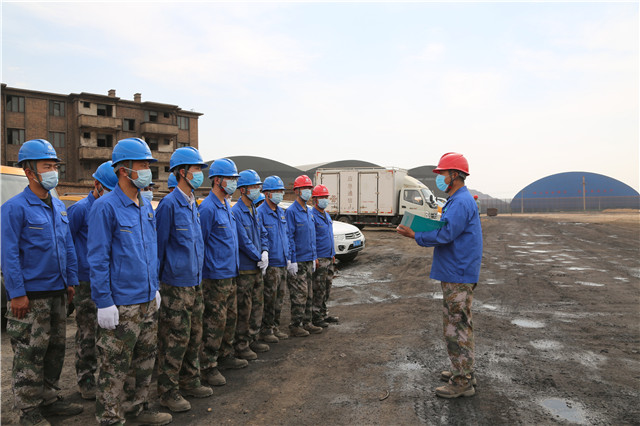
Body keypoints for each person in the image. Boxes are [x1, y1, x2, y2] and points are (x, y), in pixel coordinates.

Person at [87, 137, 171, 425]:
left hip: (146, 299)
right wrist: (103, 301)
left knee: (145, 360)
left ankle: (138, 407)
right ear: (123, 170)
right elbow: (98, 258)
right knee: (114, 366)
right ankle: (109, 418)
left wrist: (155, 287)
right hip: (121, 304)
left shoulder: (145, 206)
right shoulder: (106, 207)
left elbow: (150, 250)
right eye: (143, 165)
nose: (148, 170)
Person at [1, 139, 83, 426]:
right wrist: (17, 293)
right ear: (29, 172)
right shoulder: (14, 208)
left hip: (58, 291)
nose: (53, 172)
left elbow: (68, 246)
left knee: (55, 350)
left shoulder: (58, 205)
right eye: (47, 166)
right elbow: (9, 254)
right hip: (31, 296)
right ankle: (29, 412)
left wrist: (70, 281)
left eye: (54, 166)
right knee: (29, 354)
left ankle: (49, 399)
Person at [396, 152, 483, 399]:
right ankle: (463, 371)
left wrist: (415, 234)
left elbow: (446, 234)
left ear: (454, 175)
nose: (440, 178)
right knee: (460, 323)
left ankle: (462, 381)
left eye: (442, 173)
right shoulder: (458, 200)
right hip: (457, 270)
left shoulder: (461, 201)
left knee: (456, 326)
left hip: (458, 272)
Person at [155, 147, 213, 413]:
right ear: (182, 172)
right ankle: (168, 391)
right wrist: (157, 286)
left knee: (194, 335)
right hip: (175, 285)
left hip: (195, 282)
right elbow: (158, 248)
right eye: (196, 169)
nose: (200, 174)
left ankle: (190, 380)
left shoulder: (193, 204)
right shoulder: (169, 205)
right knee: (174, 340)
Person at [67, 160, 118, 401]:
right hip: (86, 281)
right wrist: (71, 278)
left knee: (107, 332)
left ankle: (106, 379)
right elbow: (67, 243)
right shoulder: (80, 210)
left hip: (108, 279)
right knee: (87, 332)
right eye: (107, 188)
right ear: (96, 184)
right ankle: (86, 379)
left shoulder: (112, 208)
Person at [199, 158, 248, 388]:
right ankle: (208, 366)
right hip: (215, 277)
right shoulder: (208, 208)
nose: (234, 183)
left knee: (229, 319)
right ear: (218, 180)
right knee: (214, 323)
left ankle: (225, 355)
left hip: (230, 274)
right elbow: (201, 243)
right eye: (231, 179)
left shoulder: (226, 206)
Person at [231, 169, 270, 360]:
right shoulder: (236, 212)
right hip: (245, 269)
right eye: (253, 186)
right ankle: (241, 345)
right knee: (244, 309)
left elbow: (263, 233)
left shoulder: (254, 209)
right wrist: (258, 256)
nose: (257, 190)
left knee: (257, 306)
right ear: (243, 190)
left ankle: (253, 338)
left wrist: (265, 251)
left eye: (258, 186)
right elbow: (243, 241)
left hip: (257, 267)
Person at [256, 176, 291, 343]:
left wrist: (289, 257)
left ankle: (275, 327)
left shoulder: (281, 212)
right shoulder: (260, 213)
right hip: (271, 265)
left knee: (279, 299)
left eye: (281, 191)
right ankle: (266, 329)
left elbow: (286, 236)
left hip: (283, 262)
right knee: (269, 299)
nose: (279, 194)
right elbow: (260, 237)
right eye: (276, 191)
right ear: (267, 194)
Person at [285, 175, 321, 337]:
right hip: (298, 260)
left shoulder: (309, 211)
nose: (308, 191)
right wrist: (292, 259)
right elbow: (290, 236)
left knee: (309, 294)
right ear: (297, 191)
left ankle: (307, 322)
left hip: (308, 259)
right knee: (299, 294)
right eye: (304, 188)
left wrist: (314, 257)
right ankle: (295, 325)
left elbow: (311, 236)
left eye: (309, 188)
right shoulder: (292, 211)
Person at [310, 185, 336, 328]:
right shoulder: (312, 216)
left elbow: (329, 235)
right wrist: (314, 257)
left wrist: (333, 254)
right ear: (315, 199)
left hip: (329, 257)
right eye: (322, 197)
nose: (325, 200)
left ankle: (323, 313)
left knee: (327, 287)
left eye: (326, 197)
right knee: (318, 288)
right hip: (320, 258)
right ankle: (316, 316)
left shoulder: (326, 215)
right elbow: (311, 239)